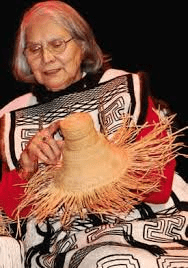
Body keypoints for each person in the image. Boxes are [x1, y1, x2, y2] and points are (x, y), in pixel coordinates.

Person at [0, 1, 180, 267]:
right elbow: (11, 214)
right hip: (61, 239)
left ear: (82, 45)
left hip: (144, 222)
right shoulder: (15, 116)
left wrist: (91, 157)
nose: (46, 57)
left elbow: (158, 185)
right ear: (23, 57)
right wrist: (28, 169)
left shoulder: (124, 89)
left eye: (57, 44)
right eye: (34, 49)